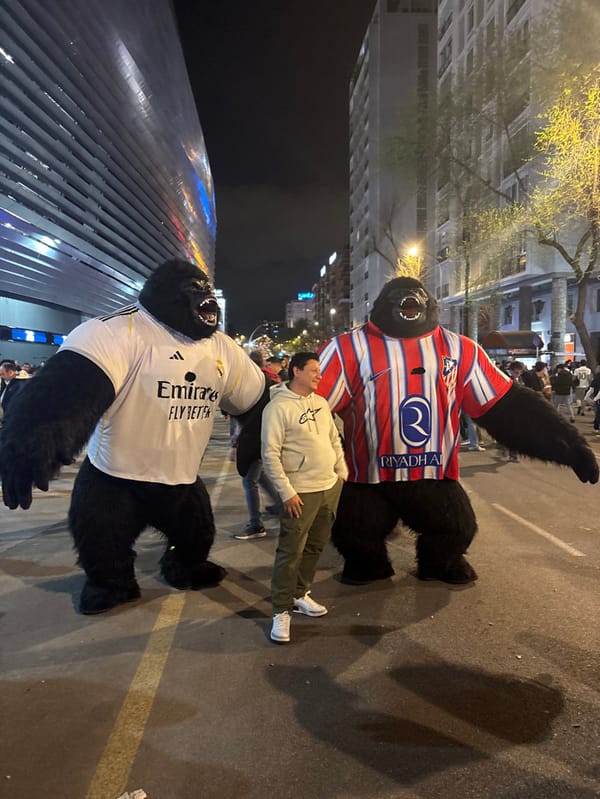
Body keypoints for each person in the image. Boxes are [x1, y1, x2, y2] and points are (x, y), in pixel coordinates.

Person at [261, 351, 348, 644]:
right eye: (313, 370)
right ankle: (281, 610)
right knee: (290, 551)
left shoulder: (321, 403)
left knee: (315, 545)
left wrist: (341, 470)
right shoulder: (277, 408)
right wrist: (286, 491)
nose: (319, 376)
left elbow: (334, 439)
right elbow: (270, 454)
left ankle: (300, 594)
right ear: (296, 371)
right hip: (300, 492)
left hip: (329, 487)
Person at [233, 350, 281, 540]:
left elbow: (248, 418)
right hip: (261, 438)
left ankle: (256, 525)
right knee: (259, 477)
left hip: (256, 440)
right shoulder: (267, 381)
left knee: (249, 481)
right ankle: (281, 506)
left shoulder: (258, 385)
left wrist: (236, 442)